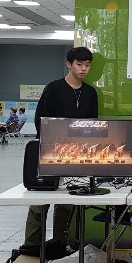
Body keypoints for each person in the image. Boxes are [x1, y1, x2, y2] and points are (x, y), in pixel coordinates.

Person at [25, 47, 99, 247]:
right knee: (39, 203)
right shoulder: (54, 88)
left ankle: (59, 245)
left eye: (87, 65)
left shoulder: (90, 93)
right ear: (69, 64)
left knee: (67, 202)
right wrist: (50, 144)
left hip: (76, 155)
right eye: (79, 64)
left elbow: (92, 125)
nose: (83, 69)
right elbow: (41, 118)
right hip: (49, 152)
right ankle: (31, 248)